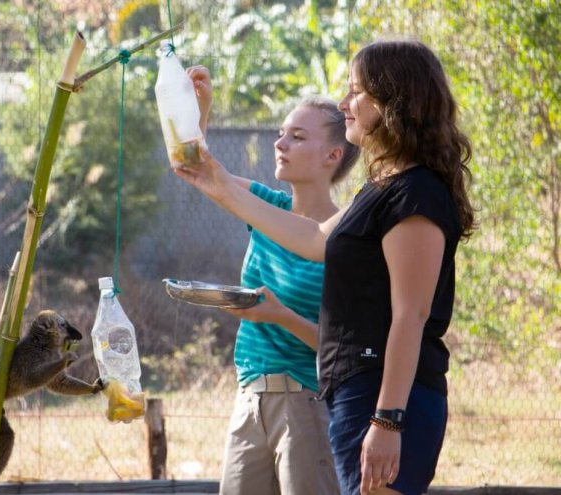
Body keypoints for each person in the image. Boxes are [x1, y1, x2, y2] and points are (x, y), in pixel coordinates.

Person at [177, 39, 475, 495]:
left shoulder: (415, 194)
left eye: (357, 92)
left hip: (388, 402)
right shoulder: (381, 188)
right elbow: (312, 238)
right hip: (356, 396)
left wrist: (388, 421)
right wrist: (215, 178)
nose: (345, 104)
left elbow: (410, 316)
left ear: (393, 102)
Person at [187, 65, 360, 495]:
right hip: (249, 398)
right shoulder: (264, 207)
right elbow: (200, 172)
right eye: (281, 133)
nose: (280, 144)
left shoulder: (348, 237)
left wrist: (279, 316)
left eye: (298, 137)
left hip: (307, 403)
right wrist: (199, 108)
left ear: (333, 155)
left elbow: (347, 349)